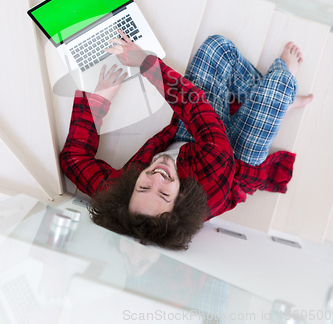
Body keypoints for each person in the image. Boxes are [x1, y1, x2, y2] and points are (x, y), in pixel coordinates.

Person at [60, 31, 313, 250]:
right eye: (164, 193)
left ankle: (272, 99)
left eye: (143, 187)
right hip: (233, 161)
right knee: (278, 85)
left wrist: (100, 99)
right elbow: (196, 109)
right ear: (180, 199)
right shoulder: (210, 177)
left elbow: (73, 159)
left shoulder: (118, 194)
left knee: (217, 48)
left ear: (128, 191)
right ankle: (282, 88)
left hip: (191, 141)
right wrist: (146, 63)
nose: (157, 176)